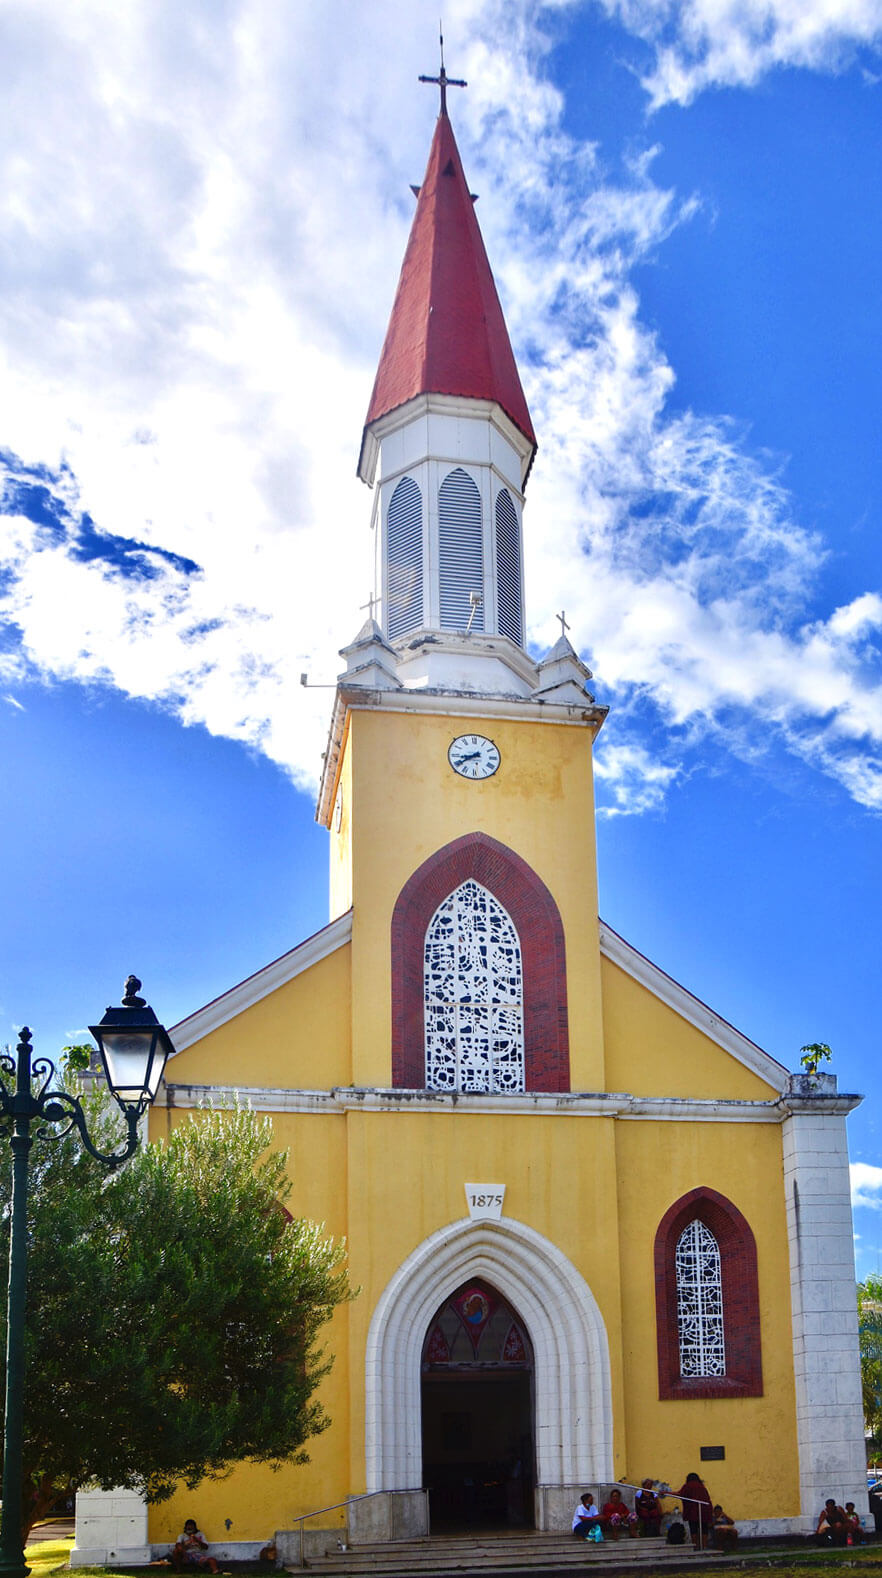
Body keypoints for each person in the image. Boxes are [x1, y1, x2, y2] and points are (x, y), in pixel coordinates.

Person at [677, 1473, 713, 1550]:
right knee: (704, 1528)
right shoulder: (701, 1486)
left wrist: (666, 1493)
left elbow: (680, 1494)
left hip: (693, 1510)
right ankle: (704, 1546)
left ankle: (695, 1546)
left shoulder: (688, 1486)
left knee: (693, 1529)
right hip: (705, 1509)